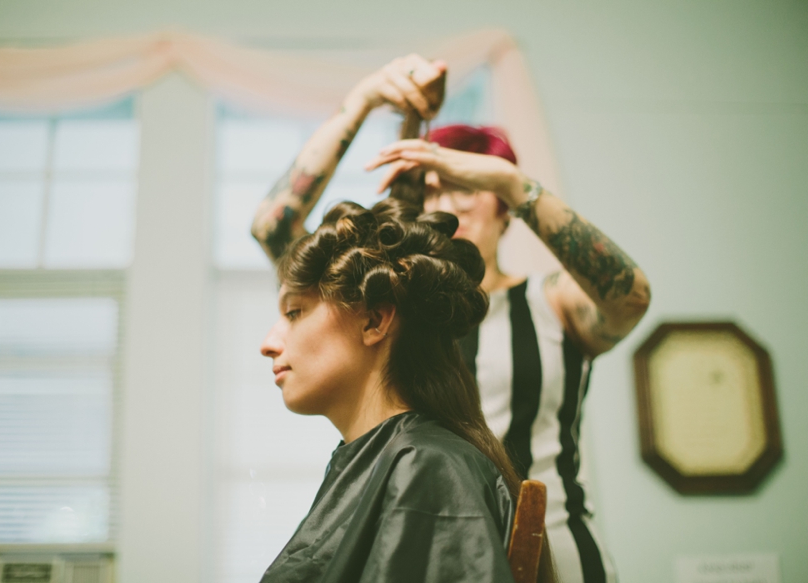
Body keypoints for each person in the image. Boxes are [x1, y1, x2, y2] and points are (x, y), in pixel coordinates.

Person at [252, 54, 651, 583]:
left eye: (462, 185)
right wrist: (366, 99)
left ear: (504, 210)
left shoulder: (550, 303)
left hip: (556, 553)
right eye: (431, 189)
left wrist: (513, 182)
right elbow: (276, 232)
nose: (445, 203)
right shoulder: (396, 311)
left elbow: (629, 298)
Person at [258, 200, 552, 582]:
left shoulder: (427, 468)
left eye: (295, 312)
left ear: (374, 320)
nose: (268, 343)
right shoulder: (397, 461)